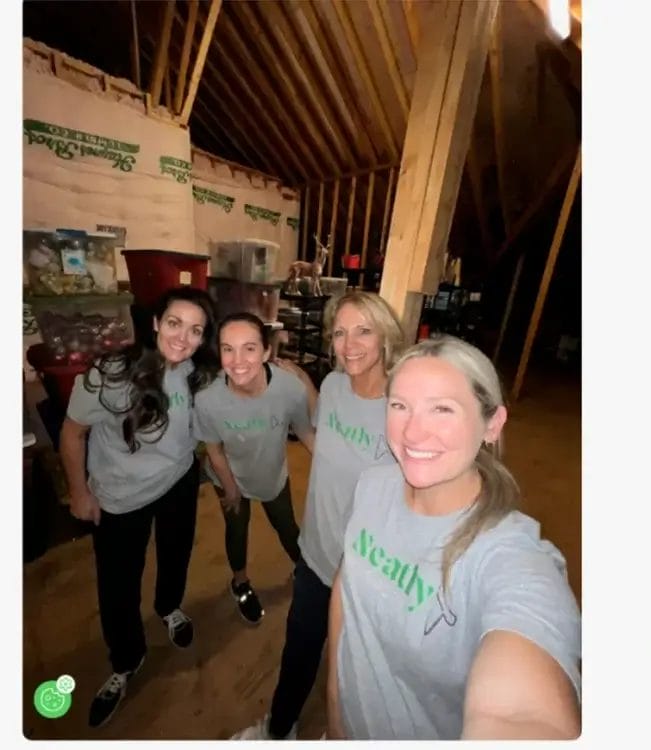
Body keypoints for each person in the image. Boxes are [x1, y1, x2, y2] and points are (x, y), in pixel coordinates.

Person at [326, 335, 582, 740]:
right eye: (400, 406)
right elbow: (346, 587)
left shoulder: (508, 557)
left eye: (442, 409)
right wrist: (335, 704)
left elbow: (521, 714)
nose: (413, 431)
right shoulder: (373, 485)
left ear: (492, 425)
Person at [232, 291, 406, 740]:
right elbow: (325, 444)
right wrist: (307, 389)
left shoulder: (402, 409)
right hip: (315, 555)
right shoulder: (331, 385)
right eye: (341, 332)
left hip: (367, 573)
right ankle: (279, 729)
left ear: (385, 335)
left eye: (363, 330)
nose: (349, 344)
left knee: (355, 671)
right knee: (299, 651)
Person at [59, 286, 220, 729]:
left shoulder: (198, 372)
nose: (183, 338)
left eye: (195, 330)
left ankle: (169, 606)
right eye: (174, 324)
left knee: (176, 553)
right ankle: (126, 661)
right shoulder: (111, 373)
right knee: (117, 585)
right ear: (154, 323)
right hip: (119, 498)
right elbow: (72, 434)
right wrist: (79, 493)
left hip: (178, 483)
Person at [194, 313, 317, 625]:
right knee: (236, 529)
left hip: (271, 473)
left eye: (249, 348)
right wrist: (231, 488)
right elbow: (214, 449)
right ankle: (240, 583)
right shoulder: (208, 400)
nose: (237, 361)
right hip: (228, 474)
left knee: (287, 527)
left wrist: (334, 469)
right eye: (228, 349)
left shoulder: (288, 388)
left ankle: (305, 572)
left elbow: (305, 432)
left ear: (265, 352)